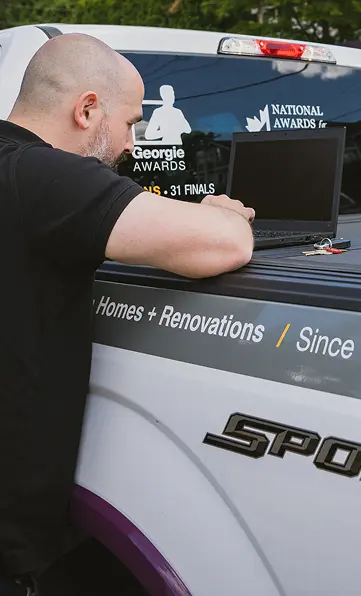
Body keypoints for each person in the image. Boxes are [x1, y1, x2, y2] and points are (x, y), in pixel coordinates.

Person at [0, 34, 256, 595]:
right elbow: (220, 247)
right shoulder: (40, 178)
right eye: (130, 123)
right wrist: (225, 212)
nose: (133, 145)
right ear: (87, 109)